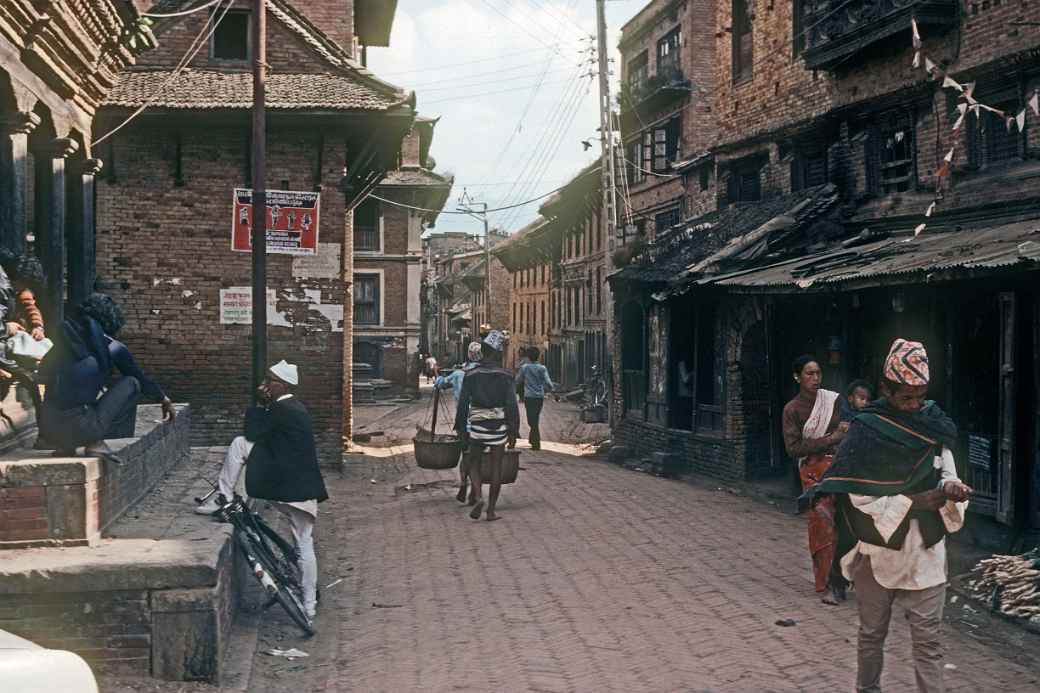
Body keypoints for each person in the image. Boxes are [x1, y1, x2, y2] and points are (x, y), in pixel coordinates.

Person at [803, 339, 971, 693]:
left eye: (919, 396)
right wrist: (914, 501)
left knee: (929, 643)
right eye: (905, 397)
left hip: (925, 553)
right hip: (878, 550)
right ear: (885, 389)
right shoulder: (866, 430)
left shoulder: (933, 424)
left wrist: (952, 489)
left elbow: (947, 471)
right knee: (872, 634)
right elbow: (857, 495)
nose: (914, 405)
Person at [195, 360, 329, 620]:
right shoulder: (296, 408)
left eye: (270, 382)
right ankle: (309, 605)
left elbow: (251, 431)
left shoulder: (281, 409)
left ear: (283, 385)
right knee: (304, 545)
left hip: (285, 487)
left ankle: (224, 496)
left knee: (239, 444)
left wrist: (260, 403)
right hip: (306, 491)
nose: (266, 385)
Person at [37, 294, 175, 461]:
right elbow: (140, 378)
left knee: (74, 398)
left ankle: (66, 447)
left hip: (49, 430)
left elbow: (44, 374)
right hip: (84, 429)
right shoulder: (114, 347)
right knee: (132, 383)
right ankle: (96, 442)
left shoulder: (63, 344)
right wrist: (163, 398)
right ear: (111, 319)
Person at [782, 354, 849, 605]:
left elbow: (847, 428)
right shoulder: (792, 410)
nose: (815, 378)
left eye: (818, 373)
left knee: (846, 522)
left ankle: (841, 579)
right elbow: (794, 447)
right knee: (822, 523)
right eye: (809, 373)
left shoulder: (832, 400)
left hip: (840, 467)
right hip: (813, 471)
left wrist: (841, 438)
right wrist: (831, 439)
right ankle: (828, 582)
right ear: (797, 377)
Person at [454, 329, 519, 521]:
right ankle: (491, 511)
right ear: (499, 353)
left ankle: (478, 496)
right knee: (496, 466)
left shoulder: (471, 374)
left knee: (473, 462)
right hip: (498, 426)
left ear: (483, 350)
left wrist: (460, 428)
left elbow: (463, 403)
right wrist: (513, 430)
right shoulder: (506, 376)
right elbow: (511, 405)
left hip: (477, 426)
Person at [434, 341, 483, 504]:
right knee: (478, 457)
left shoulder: (458, 374)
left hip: (464, 422)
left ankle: (464, 483)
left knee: (466, 455)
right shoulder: (486, 374)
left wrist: (437, 377)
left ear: (468, 355)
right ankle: (476, 491)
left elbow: (440, 384)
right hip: (483, 422)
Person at [516, 347, 553, 450]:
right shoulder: (542, 368)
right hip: (539, 397)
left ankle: (536, 442)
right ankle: (533, 440)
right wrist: (547, 389)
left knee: (531, 420)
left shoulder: (525, 368)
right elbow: (549, 383)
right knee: (535, 418)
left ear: (528, 357)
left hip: (529, 397)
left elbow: (518, 380)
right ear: (538, 356)